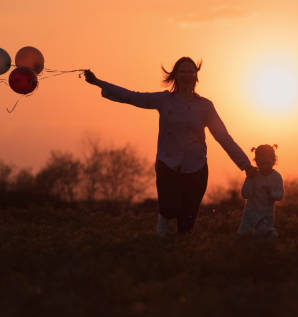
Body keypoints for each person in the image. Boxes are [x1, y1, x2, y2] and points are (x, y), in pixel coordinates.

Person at [83, 57, 256, 235]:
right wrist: (98, 82)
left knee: (187, 221)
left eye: (191, 71)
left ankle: (179, 254)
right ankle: (162, 228)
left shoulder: (205, 106)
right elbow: (131, 96)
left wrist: (246, 165)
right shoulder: (164, 100)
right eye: (183, 71)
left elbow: (223, 137)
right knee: (169, 209)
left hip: (196, 167)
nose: (187, 74)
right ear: (175, 75)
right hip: (168, 164)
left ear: (196, 76)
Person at [237, 144, 284, 239]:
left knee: (263, 236)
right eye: (261, 163)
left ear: (274, 161)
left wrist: (271, 193)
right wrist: (249, 180)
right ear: (256, 162)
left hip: (267, 215)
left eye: (267, 162)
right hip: (251, 214)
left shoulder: (277, 177)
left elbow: (280, 195)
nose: (264, 166)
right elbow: (245, 194)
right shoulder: (253, 176)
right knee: (245, 236)